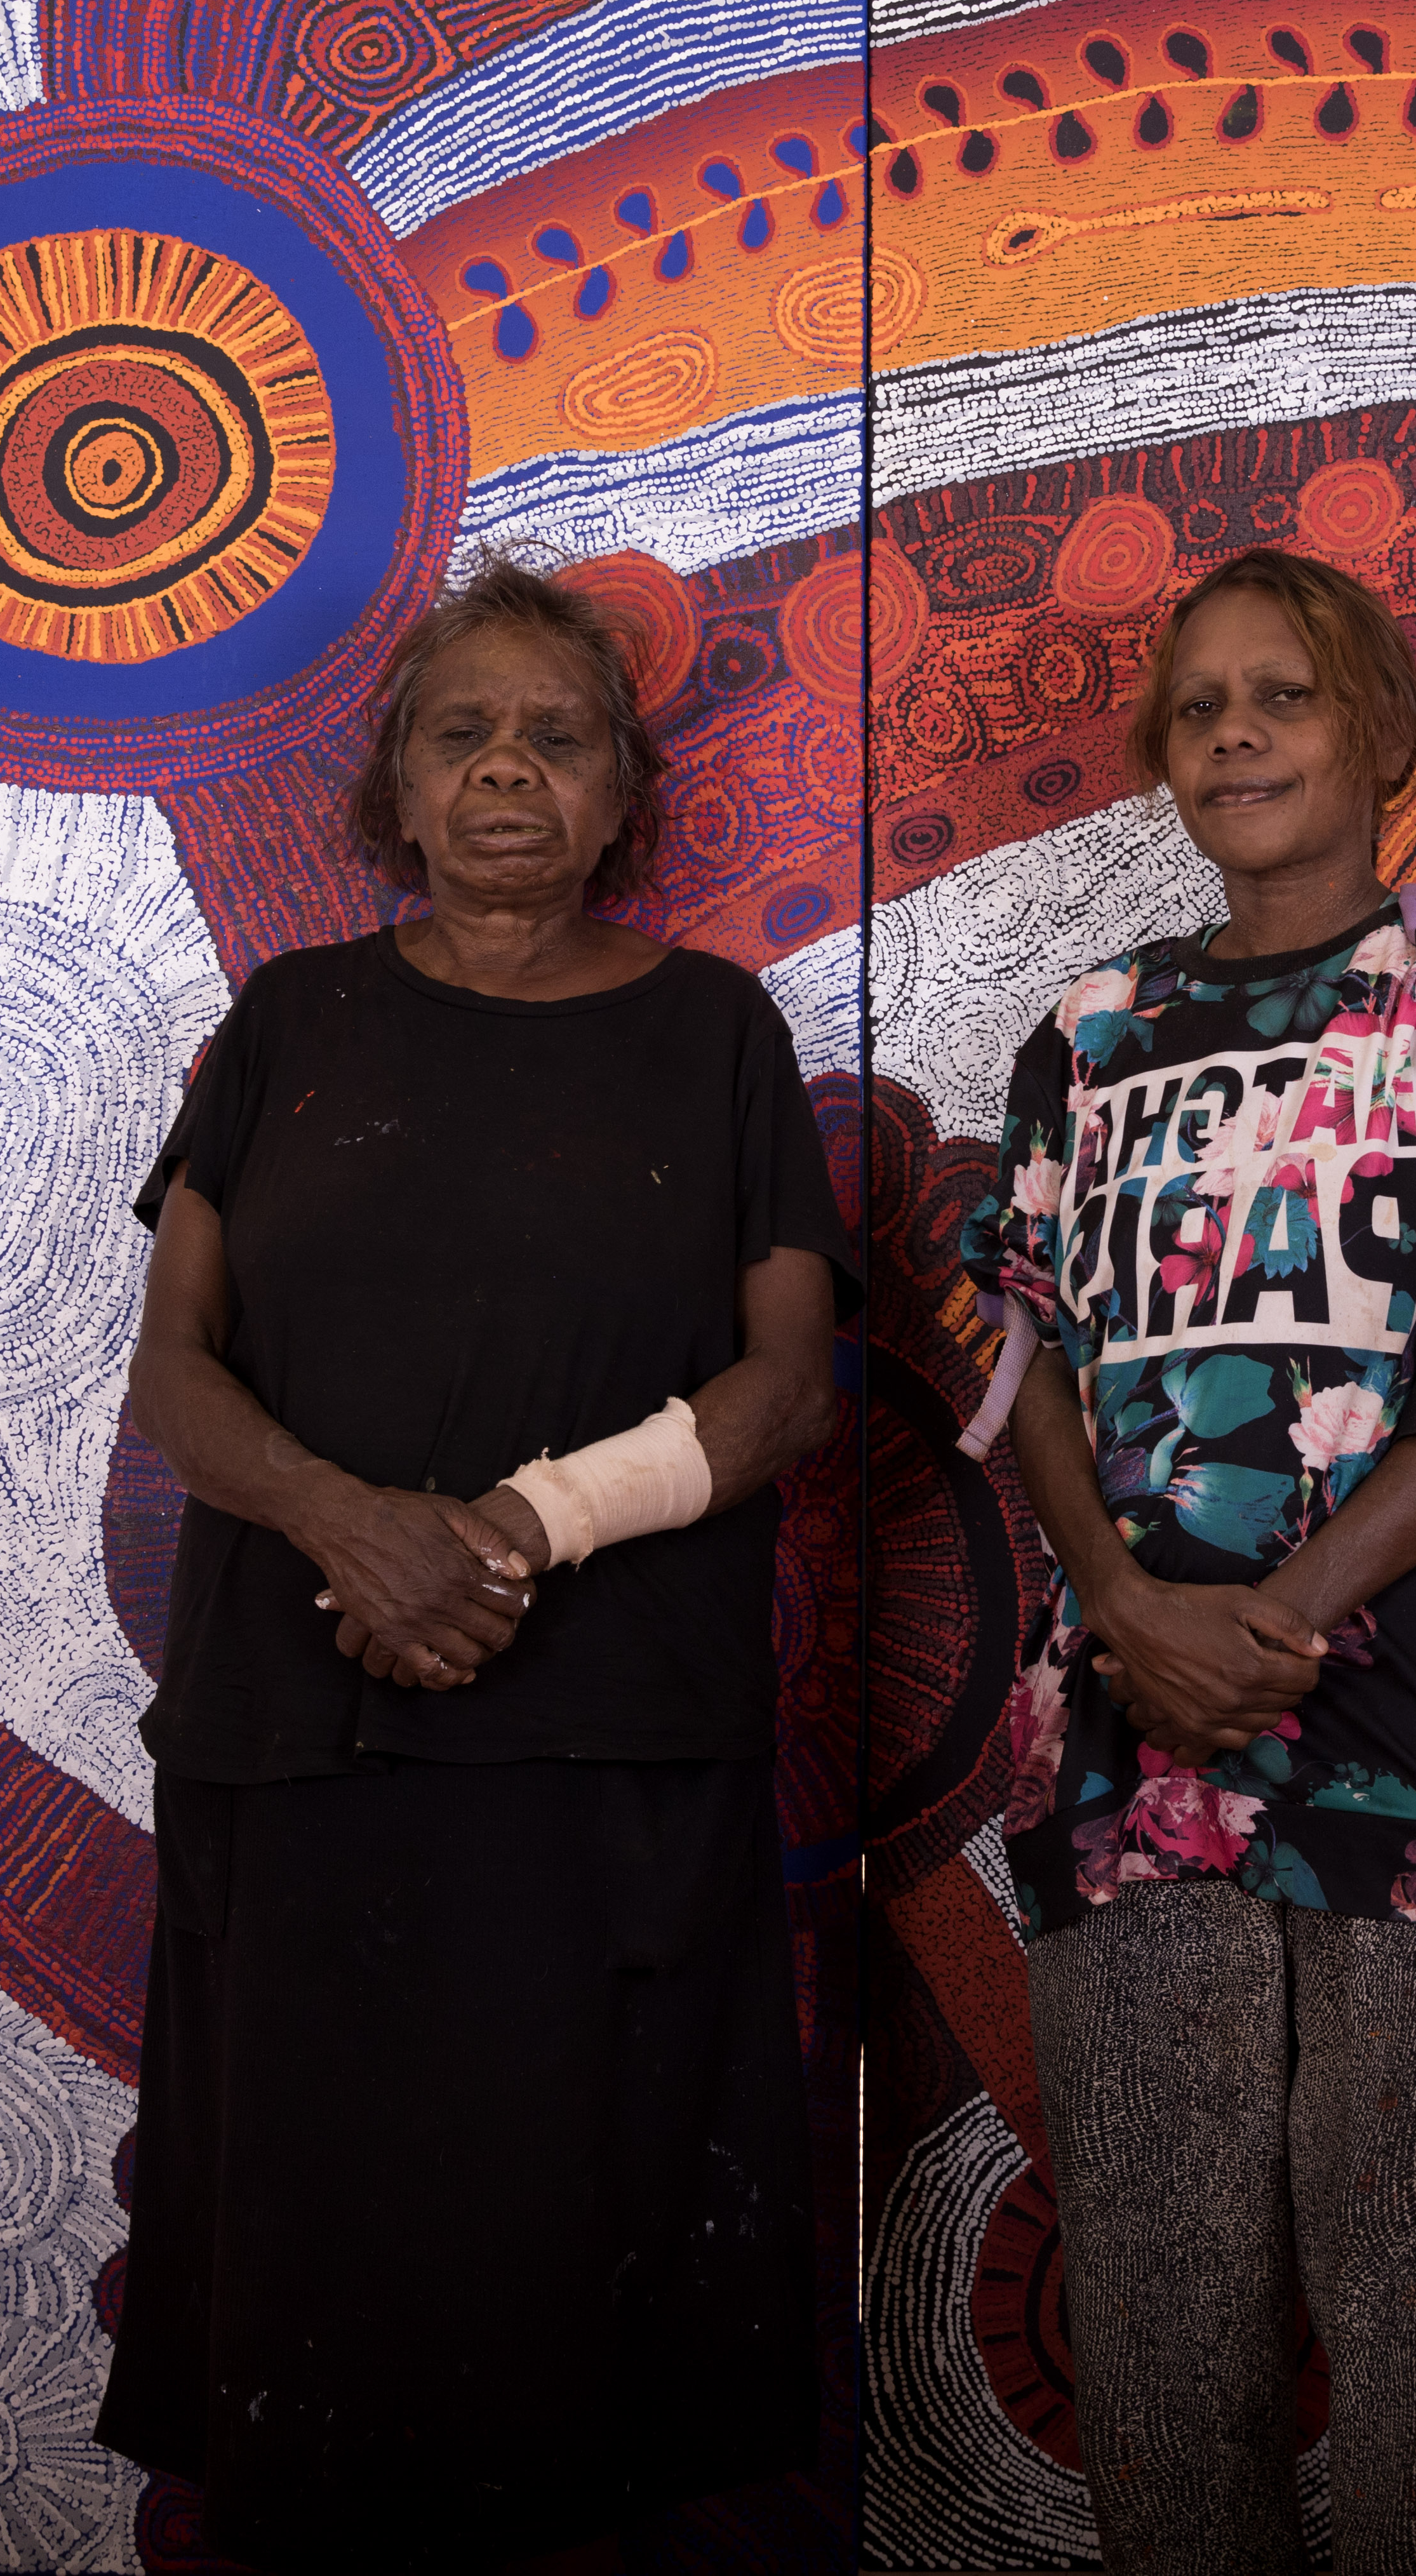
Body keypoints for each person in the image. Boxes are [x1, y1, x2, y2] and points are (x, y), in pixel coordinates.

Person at [96, 557, 853, 2569]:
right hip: (303, 1750)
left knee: (578, 2315)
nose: (506, 769)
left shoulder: (713, 1034)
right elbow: (174, 1370)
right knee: (314, 2307)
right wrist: (348, 1525)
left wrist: (516, 1533)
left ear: (619, 797)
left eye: (555, 736)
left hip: (605, 1765)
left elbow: (786, 1387)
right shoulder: (288, 1025)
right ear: (397, 792)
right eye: (461, 734)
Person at [958, 547, 1416, 2573]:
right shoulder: (1091, 1031)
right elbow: (1027, 1356)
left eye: (1285, 695)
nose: (1235, 733)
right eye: (1197, 707)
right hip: (1131, 1742)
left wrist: (1281, 1615)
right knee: (1163, 2326)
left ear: (1379, 738)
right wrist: (1130, 1611)